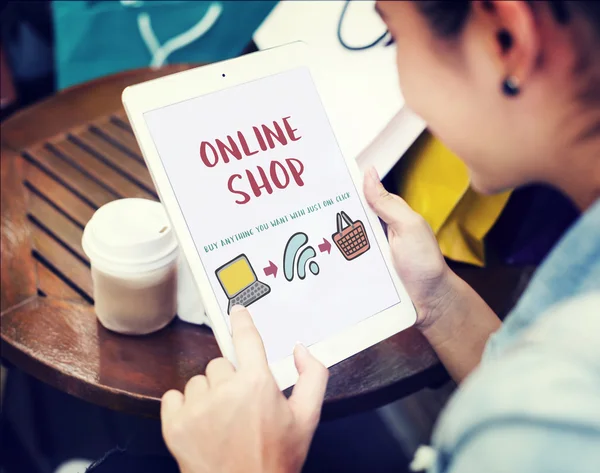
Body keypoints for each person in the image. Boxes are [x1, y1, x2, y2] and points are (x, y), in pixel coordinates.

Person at [160, 2, 600, 472]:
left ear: (505, 40)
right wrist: (436, 297)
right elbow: (521, 392)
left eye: (394, 34)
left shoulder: (563, 411)